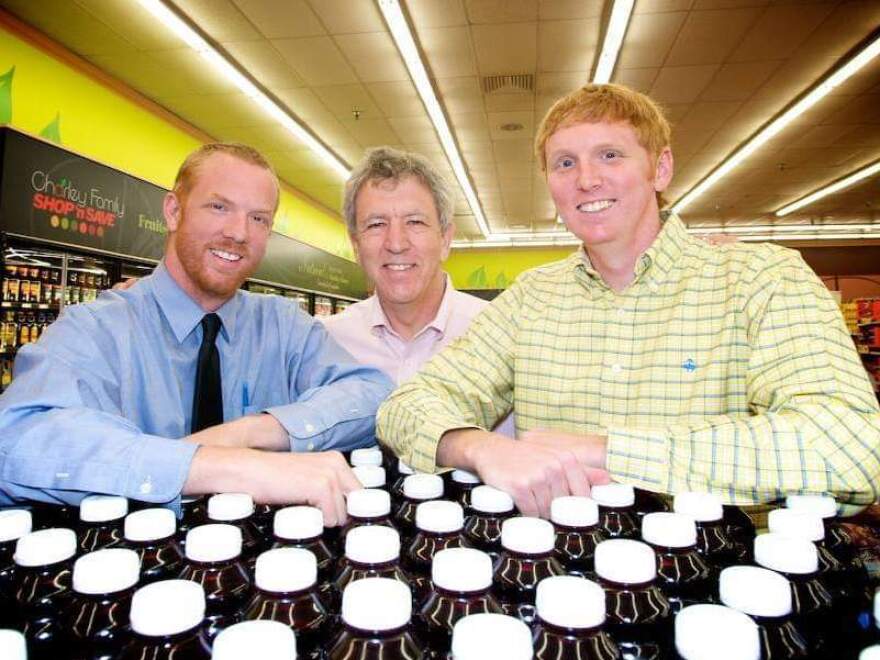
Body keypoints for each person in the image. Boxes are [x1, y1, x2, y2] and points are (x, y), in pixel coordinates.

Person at [376, 83, 880, 519]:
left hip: (721, 573)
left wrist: (609, 453)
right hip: (557, 579)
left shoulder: (763, 280)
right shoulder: (531, 298)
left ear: (660, 168)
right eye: (565, 163)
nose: (586, 179)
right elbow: (407, 406)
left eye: (610, 155)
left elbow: (850, 446)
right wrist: (481, 447)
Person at [0, 143, 393, 525]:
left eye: (259, 218)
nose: (239, 233)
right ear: (173, 211)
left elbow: (371, 395)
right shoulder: (97, 328)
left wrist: (251, 433)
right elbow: (19, 437)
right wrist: (215, 466)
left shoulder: (283, 325)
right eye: (219, 207)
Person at [322, 147, 514, 436]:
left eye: (415, 222)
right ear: (356, 245)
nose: (396, 243)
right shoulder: (325, 343)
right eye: (376, 224)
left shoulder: (501, 335)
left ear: (446, 239)